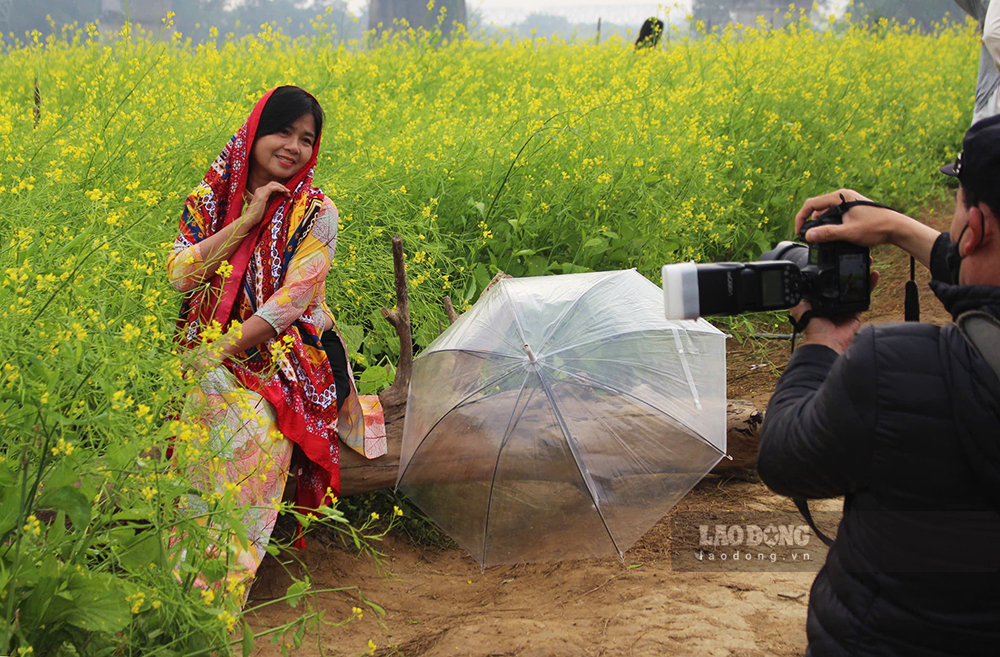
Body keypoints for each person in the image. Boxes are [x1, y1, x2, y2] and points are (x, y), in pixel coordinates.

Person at [756, 115, 1000, 656]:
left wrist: (822, 339)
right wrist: (895, 227)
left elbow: (785, 458)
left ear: (975, 227)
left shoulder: (894, 368)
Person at [166, 86, 384, 597]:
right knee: (199, 413)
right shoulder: (211, 199)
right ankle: (176, 569)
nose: (293, 146)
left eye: (306, 139)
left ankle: (215, 588)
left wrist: (214, 352)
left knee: (254, 429)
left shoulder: (317, 212)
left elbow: (289, 304)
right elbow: (180, 277)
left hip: (290, 352)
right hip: (207, 345)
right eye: (283, 131)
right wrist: (246, 221)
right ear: (255, 131)